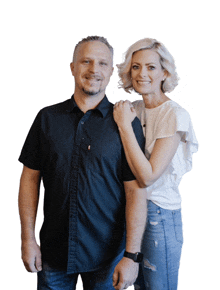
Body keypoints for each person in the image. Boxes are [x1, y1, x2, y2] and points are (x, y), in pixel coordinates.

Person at [18, 36, 147, 290]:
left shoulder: (125, 122)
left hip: (108, 258)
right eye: (86, 61)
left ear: (111, 71)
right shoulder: (47, 118)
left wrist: (132, 256)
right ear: (72, 67)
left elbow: (136, 190)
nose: (93, 70)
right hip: (53, 253)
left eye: (102, 63)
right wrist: (27, 239)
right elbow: (29, 179)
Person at [113, 38, 198, 290]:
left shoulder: (174, 114)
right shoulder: (133, 109)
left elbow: (148, 176)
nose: (142, 74)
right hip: (130, 210)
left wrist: (124, 125)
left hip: (159, 213)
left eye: (151, 67)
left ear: (164, 72)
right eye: (136, 67)